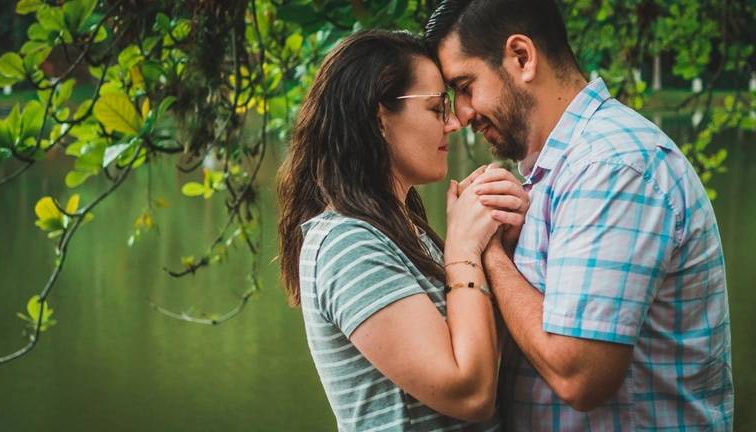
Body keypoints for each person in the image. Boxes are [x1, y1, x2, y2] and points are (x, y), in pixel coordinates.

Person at [424, 0, 734, 430]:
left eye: (465, 86)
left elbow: (580, 376)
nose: (462, 114)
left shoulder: (611, 166)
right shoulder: (560, 170)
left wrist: (486, 252)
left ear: (522, 57)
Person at [277, 29, 527, 431]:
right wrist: (462, 250)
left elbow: (480, 351)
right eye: (437, 108)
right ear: (380, 118)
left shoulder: (402, 230)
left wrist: (495, 243)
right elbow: (470, 394)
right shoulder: (347, 242)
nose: (454, 123)